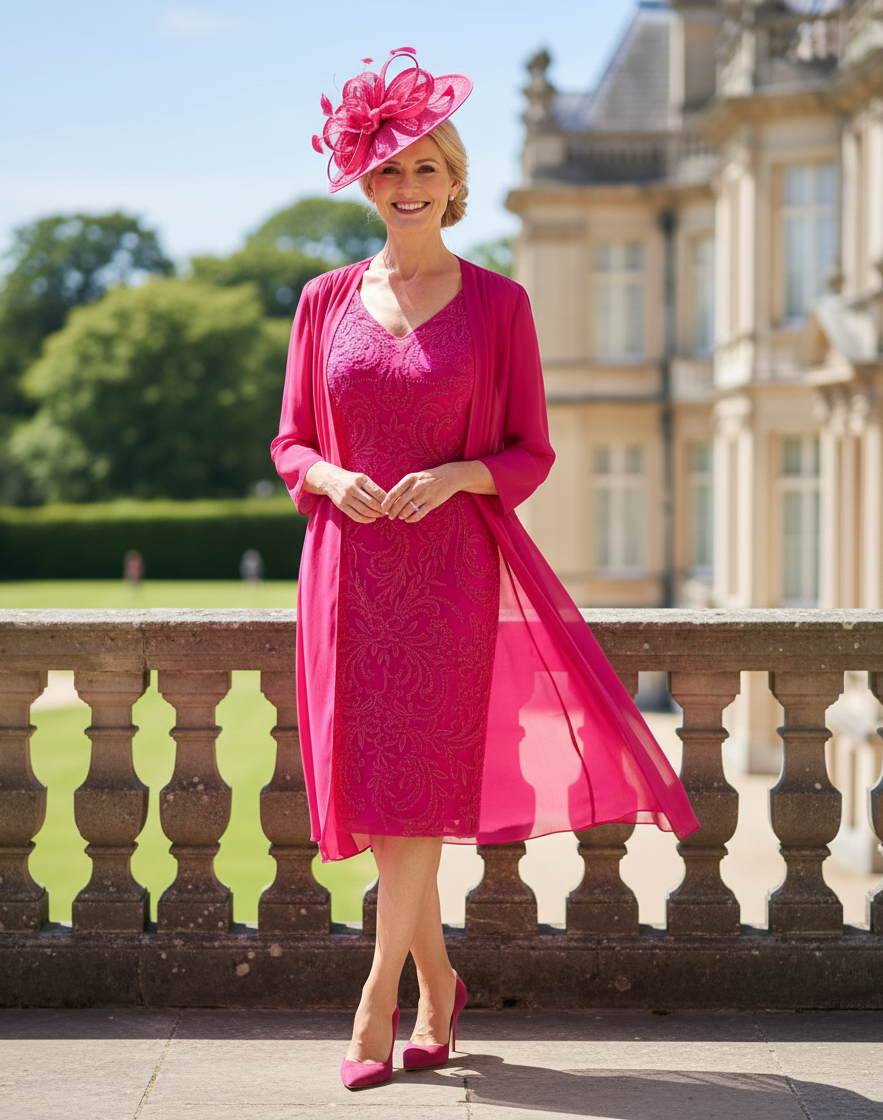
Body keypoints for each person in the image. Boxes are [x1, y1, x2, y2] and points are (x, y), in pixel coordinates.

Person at [271, 47, 699, 1091]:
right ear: (366, 186)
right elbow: (288, 443)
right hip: (348, 572)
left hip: (451, 575)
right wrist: (329, 476)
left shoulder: (500, 303)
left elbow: (529, 451)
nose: (408, 188)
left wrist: (459, 473)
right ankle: (438, 986)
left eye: (426, 170)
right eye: (389, 173)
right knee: (380, 801)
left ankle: (377, 1003)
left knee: (414, 790)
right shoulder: (323, 300)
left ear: (454, 181)